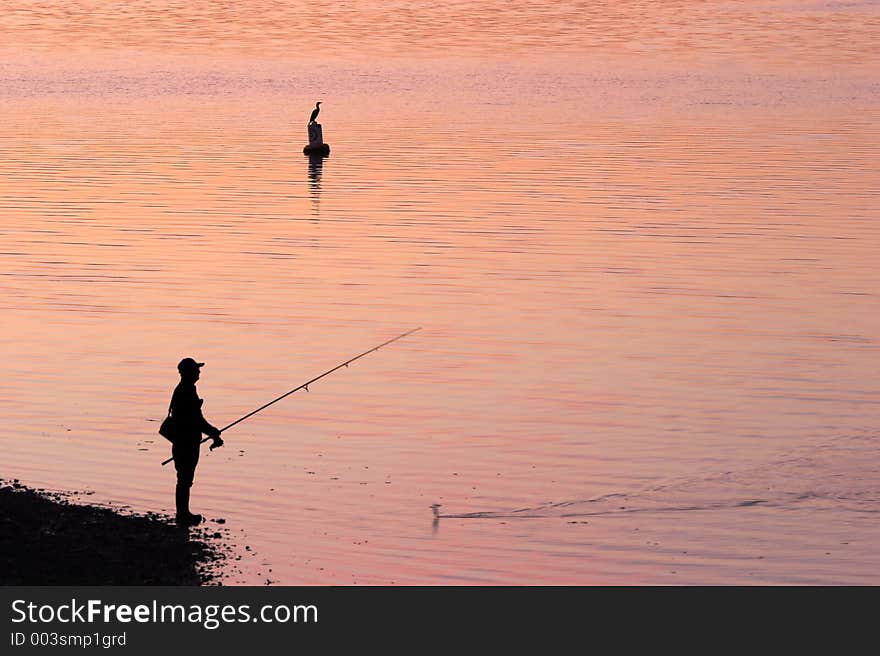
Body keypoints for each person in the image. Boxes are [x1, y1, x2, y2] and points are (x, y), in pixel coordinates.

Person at [169, 358, 223, 525]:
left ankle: (183, 513)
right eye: (196, 369)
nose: (199, 372)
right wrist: (213, 432)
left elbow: (195, 419)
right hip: (186, 443)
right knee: (185, 478)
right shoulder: (186, 391)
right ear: (189, 372)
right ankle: (182, 514)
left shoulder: (184, 389)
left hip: (183, 442)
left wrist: (212, 433)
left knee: (184, 478)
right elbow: (196, 420)